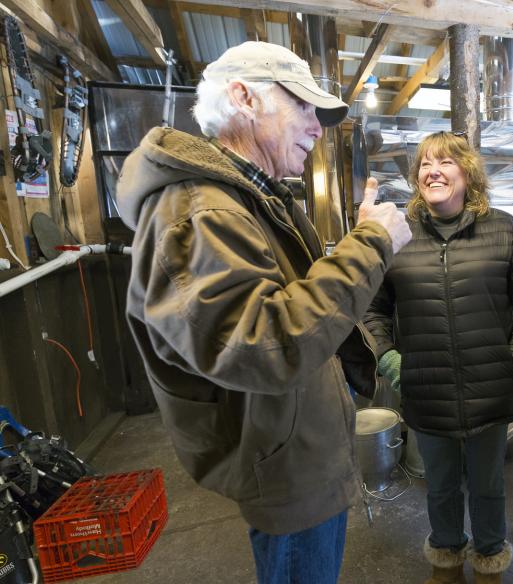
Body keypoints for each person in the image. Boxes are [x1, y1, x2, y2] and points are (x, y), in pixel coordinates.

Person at [116, 41, 412, 584]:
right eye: (303, 106)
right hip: (286, 466)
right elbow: (265, 344)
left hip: (298, 449)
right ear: (243, 98)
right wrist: (371, 243)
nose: (318, 127)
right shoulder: (199, 214)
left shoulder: (249, 200)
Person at [365, 131, 513, 584]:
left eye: (446, 162)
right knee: (441, 486)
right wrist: (392, 362)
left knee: (489, 487)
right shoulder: (399, 236)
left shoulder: (504, 229)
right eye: (426, 164)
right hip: (426, 389)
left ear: (467, 173)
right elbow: (370, 308)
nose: (434, 170)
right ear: (417, 179)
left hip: (490, 390)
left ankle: (490, 560)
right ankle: (445, 560)